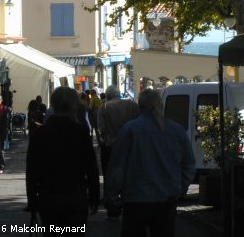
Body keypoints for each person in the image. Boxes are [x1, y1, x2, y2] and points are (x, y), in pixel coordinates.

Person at [105, 89, 196, 237]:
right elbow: (189, 165)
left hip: (135, 199)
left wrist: (113, 196)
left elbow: (117, 166)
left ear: (140, 106)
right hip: (166, 199)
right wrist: (180, 188)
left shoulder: (130, 129)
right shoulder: (177, 130)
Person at [26, 87, 100, 236]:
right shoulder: (80, 132)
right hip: (75, 195)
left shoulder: (40, 134)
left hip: (49, 195)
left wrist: (32, 199)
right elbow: (91, 167)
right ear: (73, 106)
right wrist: (94, 196)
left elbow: (32, 169)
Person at [97, 85, 140, 219]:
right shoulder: (132, 105)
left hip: (111, 147)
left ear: (108, 95)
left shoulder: (104, 108)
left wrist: (106, 138)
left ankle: (114, 209)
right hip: (130, 146)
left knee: (111, 179)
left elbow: (102, 128)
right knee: (130, 176)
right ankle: (130, 205)